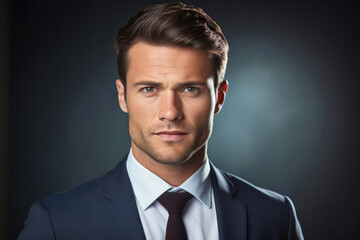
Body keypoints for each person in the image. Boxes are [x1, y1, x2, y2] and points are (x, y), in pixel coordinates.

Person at [19, 2, 304, 239]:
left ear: (219, 97)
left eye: (190, 89)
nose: (170, 112)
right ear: (122, 96)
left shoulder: (276, 217)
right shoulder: (58, 223)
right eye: (149, 89)